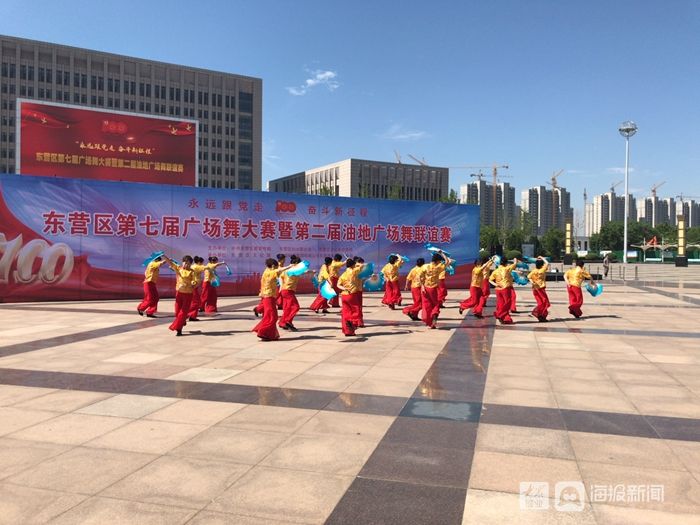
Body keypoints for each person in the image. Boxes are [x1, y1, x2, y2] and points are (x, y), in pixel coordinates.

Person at [253, 258, 292, 341]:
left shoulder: (266, 271)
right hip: (269, 297)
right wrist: (289, 266)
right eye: (276, 266)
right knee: (271, 316)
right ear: (273, 266)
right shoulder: (270, 272)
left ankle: (270, 335)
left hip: (268, 296)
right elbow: (278, 271)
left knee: (271, 316)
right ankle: (262, 332)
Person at [162, 254, 196, 336]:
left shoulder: (192, 272)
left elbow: (195, 280)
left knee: (182, 313)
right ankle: (182, 321)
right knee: (177, 312)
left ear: (190, 264)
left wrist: (193, 283)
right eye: (184, 262)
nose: (185, 264)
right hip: (179, 294)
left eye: (188, 263)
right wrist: (165, 257)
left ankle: (178, 328)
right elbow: (171, 263)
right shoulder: (178, 268)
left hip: (188, 294)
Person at [421, 252, 451, 329]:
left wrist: (422, 286)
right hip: (433, 288)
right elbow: (448, 262)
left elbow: (421, 277)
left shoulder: (425, 266)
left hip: (425, 288)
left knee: (427, 305)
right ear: (437, 261)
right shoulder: (439, 267)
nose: (440, 262)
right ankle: (434, 315)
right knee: (435, 304)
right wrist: (443, 254)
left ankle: (429, 321)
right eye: (439, 261)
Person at [337, 258, 364, 336]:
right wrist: (357, 264)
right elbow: (362, 265)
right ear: (353, 265)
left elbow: (338, 285)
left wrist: (344, 288)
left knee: (345, 313)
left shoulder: (343, 274)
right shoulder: (354, 271)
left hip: (344, 295)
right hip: (352, 295)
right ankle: (351, 323)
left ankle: (348, 331)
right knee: (356, 311)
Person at [489, 257, 518, 324]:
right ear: (506, 263)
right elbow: (515, 264)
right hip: (505, 288)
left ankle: (504, 318)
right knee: (508, 303)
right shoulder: (507, 268)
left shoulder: (495, 271)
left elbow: (490, 279)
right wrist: (515, 260)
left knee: (501, 303)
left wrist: (496, 284)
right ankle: (499, 314)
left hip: (498, 289)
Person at [279, 255, 302, 331]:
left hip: (285, 290)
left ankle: (282, 323)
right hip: (288, 290)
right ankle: (287, 321)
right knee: (296, 307)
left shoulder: (287, 270)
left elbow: (281, 277)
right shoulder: (293, 270)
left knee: (287, 308)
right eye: (299, 264)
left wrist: (281, 286)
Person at [527, 256, 550, 322]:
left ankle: (540, 315)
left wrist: (532, 283)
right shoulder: (542, 270)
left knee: (540, 302)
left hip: (535, 289)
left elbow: (529, 277)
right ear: (542, 264)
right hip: (541, 288)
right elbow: (547, 263)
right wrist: (542, 258)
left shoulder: (534, 271)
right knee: (545, 302)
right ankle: (540, 314)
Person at [187, 256, 206, 322]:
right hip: (193, 287)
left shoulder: (193, 266)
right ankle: (187, 314)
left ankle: (192, 316)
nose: (202, 264)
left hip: (193, 286)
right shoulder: (196, 266)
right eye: (202, 263)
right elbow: (207, 268)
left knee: (194, 302)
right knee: (196, 302)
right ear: (199, 262)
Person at [354, 256, 367, 327]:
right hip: (356, 290)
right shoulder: (355, 269)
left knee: (357, 307)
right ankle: (358, 322)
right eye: (361, 263)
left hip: (356, 290)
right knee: (357, 307)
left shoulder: (353, 269)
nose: (362, 264)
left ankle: (356, 321)